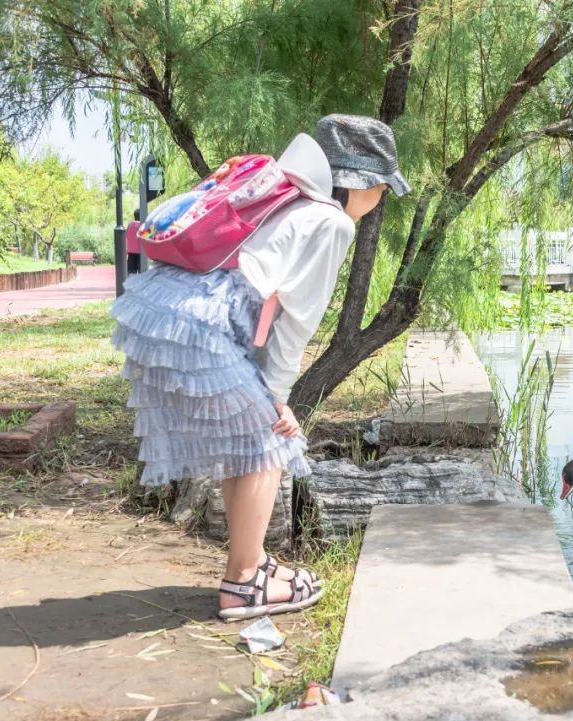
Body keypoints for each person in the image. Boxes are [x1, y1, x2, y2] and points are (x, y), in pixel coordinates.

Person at [109, 115, 411, 620]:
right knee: (270, 437)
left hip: (160, 310)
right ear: (358, 182)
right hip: (195, 325)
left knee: (248, 442)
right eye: (381, 186)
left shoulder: (281, 195)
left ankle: (254, 566)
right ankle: (245, 584)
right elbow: (296, 323)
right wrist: (277, 396)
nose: (380, 199)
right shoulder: (329, 221)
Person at [126, 208, 142, 275]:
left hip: (130, 251)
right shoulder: (142, 225)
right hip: (140, 252)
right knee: (141, 271)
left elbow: (126, 237)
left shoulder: (129, 225)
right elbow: (147, 235)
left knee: (131, 272)